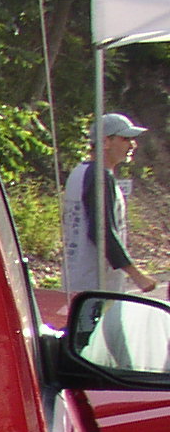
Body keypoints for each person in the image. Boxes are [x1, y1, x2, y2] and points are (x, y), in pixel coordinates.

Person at [63, 113, 157, 295]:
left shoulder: (80, 172)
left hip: (78, 278)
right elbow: (101, 231)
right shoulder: (100, 177)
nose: (132, 145)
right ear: (105, 142)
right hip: (96, 284)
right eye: (125, 139)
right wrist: (137, 275)